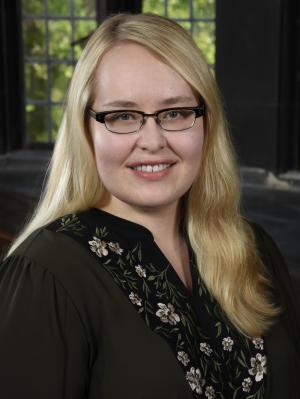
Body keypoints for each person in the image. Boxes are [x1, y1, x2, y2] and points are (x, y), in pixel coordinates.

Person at [0, 13, 299, 399]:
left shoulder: (254, 249)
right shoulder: (46, 276)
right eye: (123, 115)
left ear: (206, 123)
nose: (153, 140)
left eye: (175, 112)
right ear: (85, 129)